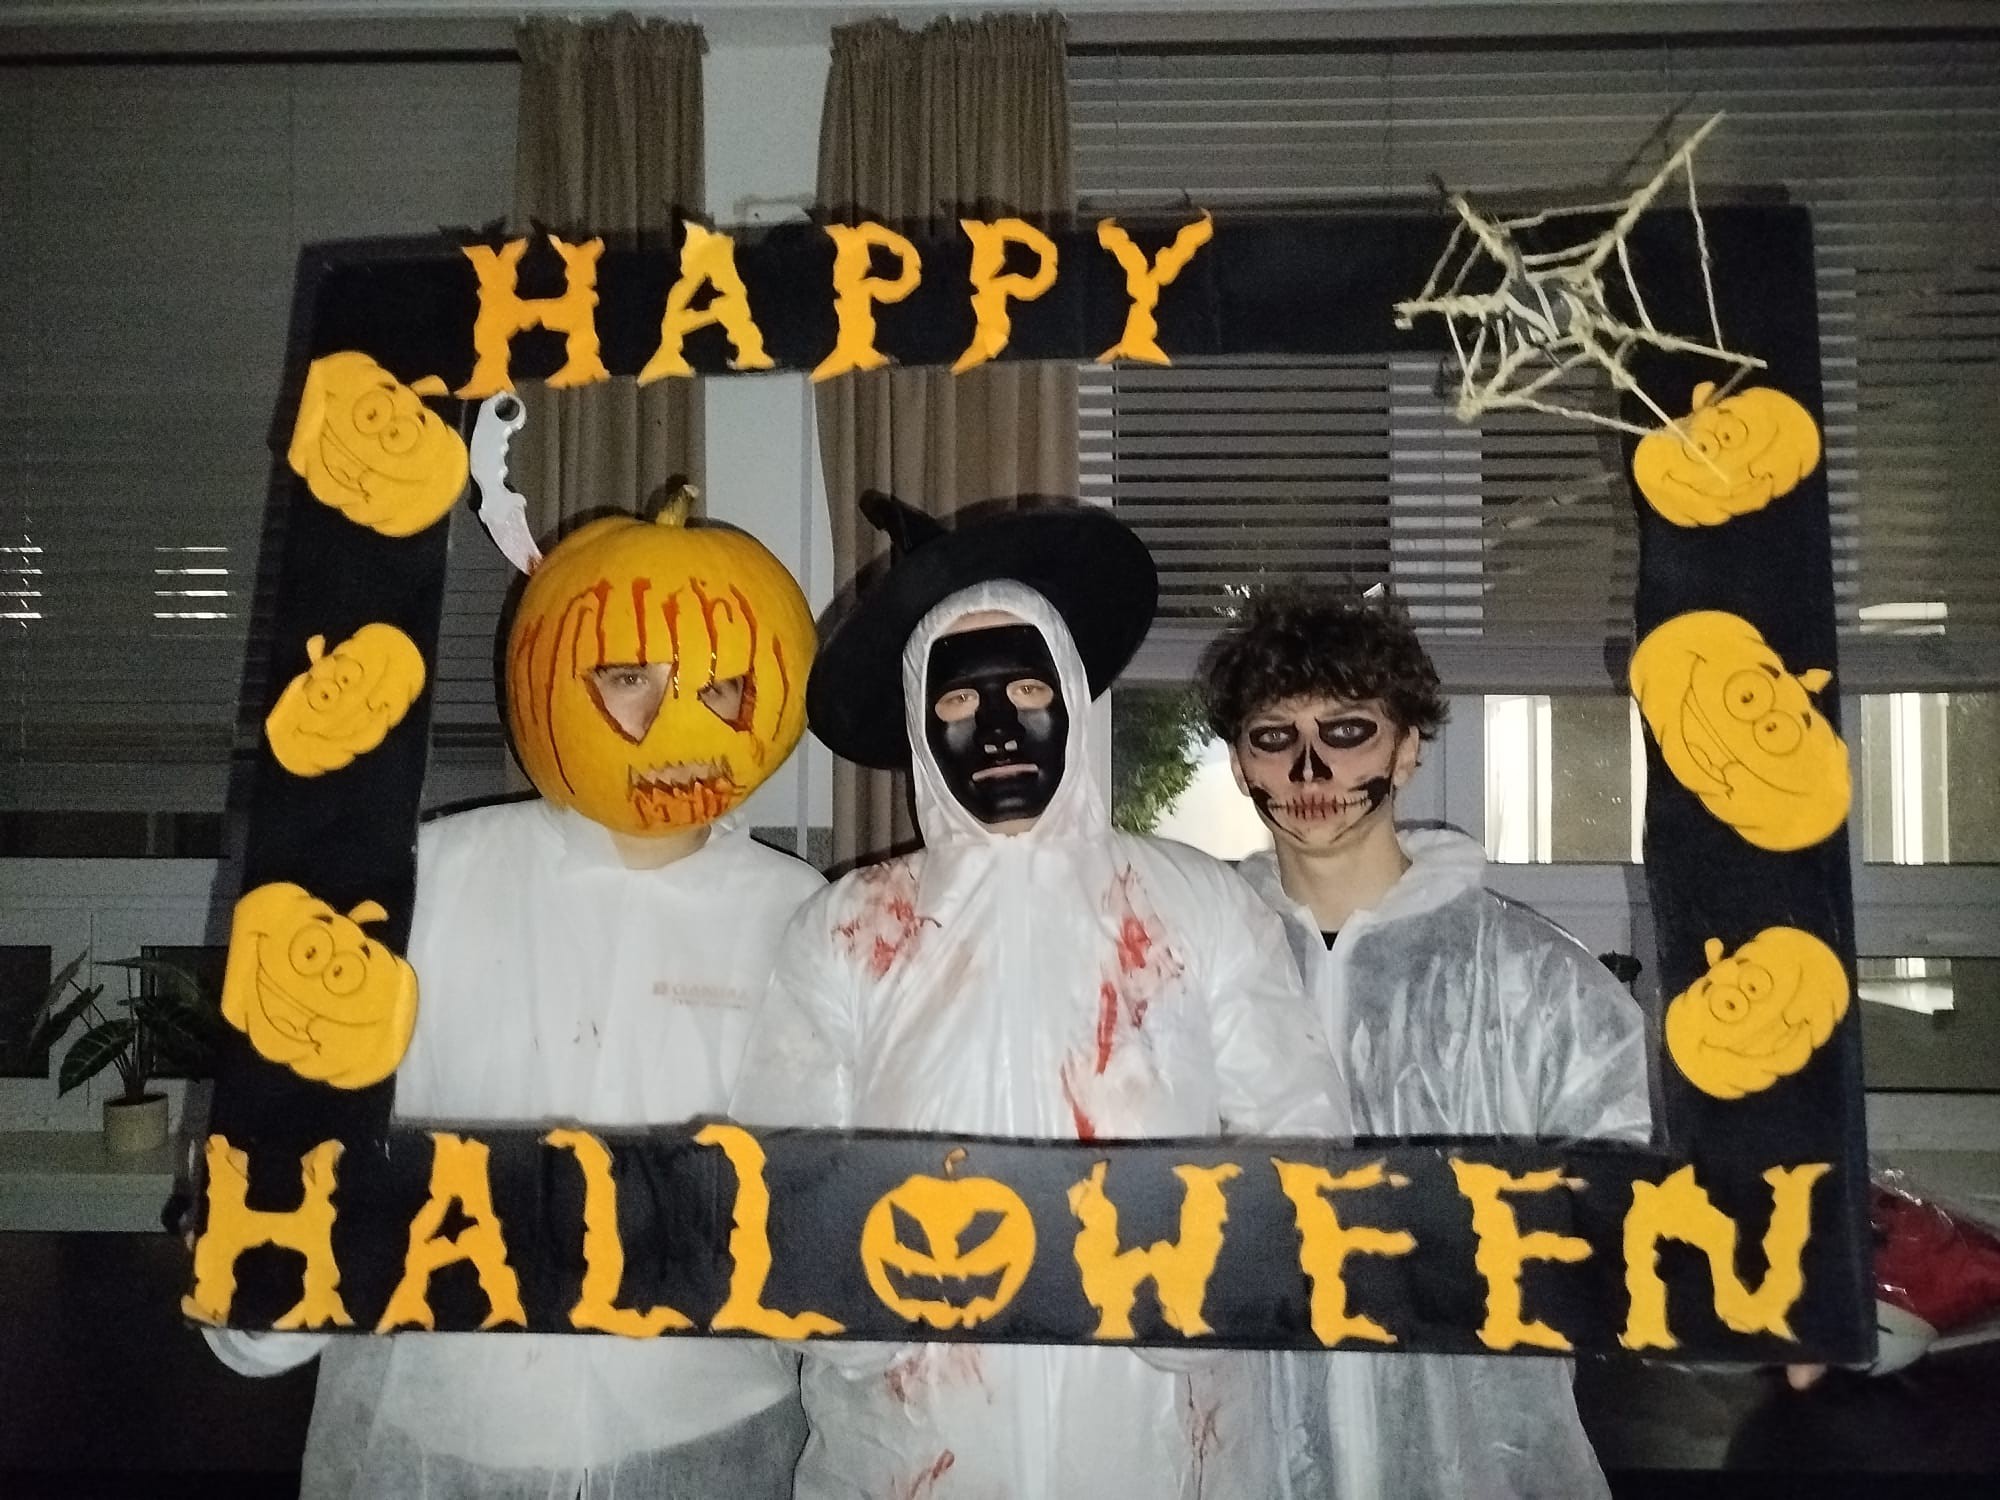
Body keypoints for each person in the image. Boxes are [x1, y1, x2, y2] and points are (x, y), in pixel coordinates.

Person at [731, 494, 1345, 1500]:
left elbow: (1301, 1141)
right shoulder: (845, 933)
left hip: (1159, 1451)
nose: (997, 729)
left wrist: (1187, 1298)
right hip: (913, 1458)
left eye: (1026, 688)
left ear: (1072, 697)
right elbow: (783, 1188)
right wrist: (871, 1325)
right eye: (957, 704)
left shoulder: (1195, 906)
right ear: (920, 725)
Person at [205, 508, 825, 1500]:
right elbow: (302, 1126)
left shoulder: (805, 920)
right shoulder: (422, 882)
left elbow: (820, 1195)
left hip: (705, 1428)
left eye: (718, 688)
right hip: (442, 1426)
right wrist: (263, 1287)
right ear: (544, 673)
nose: (677, 726)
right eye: (628, 678)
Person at [1198, 584, 1652, 1500]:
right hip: (1247, 1458)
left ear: (1407, 749)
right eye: (1275, 737)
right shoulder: (1186, 968)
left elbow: (1626, 1225)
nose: (1311, 770)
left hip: (1483, 1461)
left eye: (1348, 731)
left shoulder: (1535, 982)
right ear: (1241, 765)